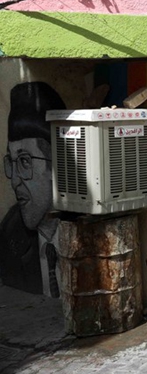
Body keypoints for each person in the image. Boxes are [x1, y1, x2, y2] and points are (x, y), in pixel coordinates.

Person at [0, 82, 65, 297]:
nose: (15, 181)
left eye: (25, 162)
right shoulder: (9, 236)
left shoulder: (88, 229)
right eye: (11, 162)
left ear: (56, 164)